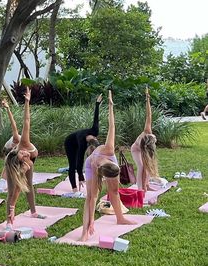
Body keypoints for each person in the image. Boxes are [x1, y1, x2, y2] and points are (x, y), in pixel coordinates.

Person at [81, 90, 135, 241]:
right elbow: (92, 199)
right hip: (92, 164)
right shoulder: (92, 164)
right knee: (91, 196)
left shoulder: (109, 149)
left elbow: (112, 125)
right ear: (103, 174)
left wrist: (111, 106)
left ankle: (120, 218)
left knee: (114, 191)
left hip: (108, 161)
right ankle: (84, 231)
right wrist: (92, 222)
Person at [4, 86, 45, 227]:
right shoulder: (15, 161)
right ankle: (9, 220)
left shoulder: (24, 142)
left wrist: (27, 102)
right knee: (12, 191)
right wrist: (12, 209)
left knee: (29, 185)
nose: (26, 153)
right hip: (12, 164)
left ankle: (33, 211)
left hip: (23, 162)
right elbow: (15, 192)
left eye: (24, 153)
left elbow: (26, 121)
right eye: (24, 154)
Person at [64, 94, 102, 193]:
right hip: (69, 142)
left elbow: (96, 119)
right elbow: (79, 161)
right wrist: (81, 176)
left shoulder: (94, 131)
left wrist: (97, 104)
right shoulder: (82, 142)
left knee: (77, 163)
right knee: (73, 165)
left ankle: (78, 181)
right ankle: (74, 188)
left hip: (76, 141)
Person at [131, 87, 159, 191]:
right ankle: (140, 188)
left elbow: (149, 115)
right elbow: (148, 115)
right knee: (141, 166)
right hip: (135, 149)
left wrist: (148, 99)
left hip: (143, 147)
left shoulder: (148, 131)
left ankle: (146, 185)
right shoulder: (145, 134)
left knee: (147, 166)